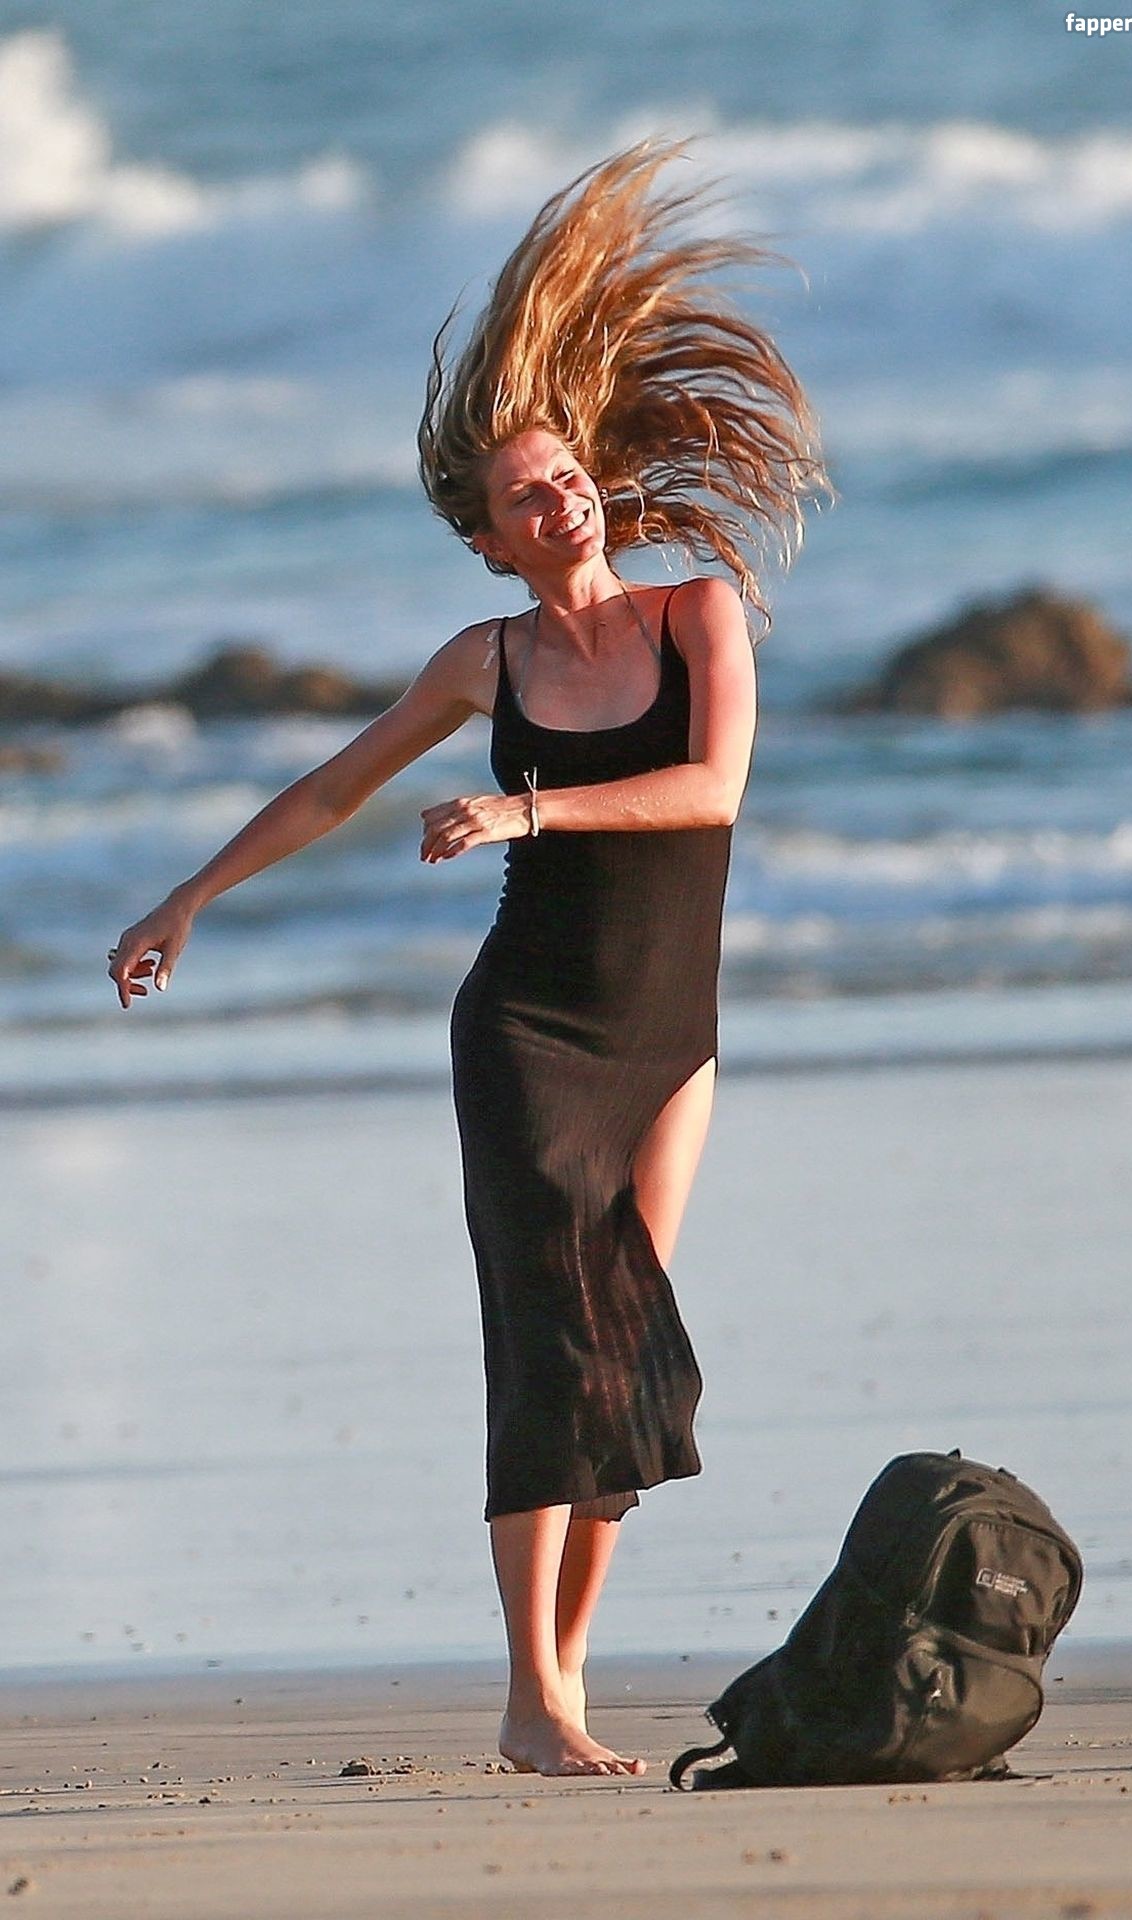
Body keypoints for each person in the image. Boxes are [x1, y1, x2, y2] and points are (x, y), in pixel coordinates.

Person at [107, 138, 828, 1779]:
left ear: (597, 489)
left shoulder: (700, 615)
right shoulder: (484, 659)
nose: (555, 499)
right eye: (523, 497)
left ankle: (567, 1676)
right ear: (493, 540)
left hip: (672, 1034)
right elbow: (331, 788)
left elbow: (712, 792)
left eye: (565, 476)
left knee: (629, 1340)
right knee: (545, 1334)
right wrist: (188, 898)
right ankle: (531, 1699)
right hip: (528, 1033)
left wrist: (527, 812)